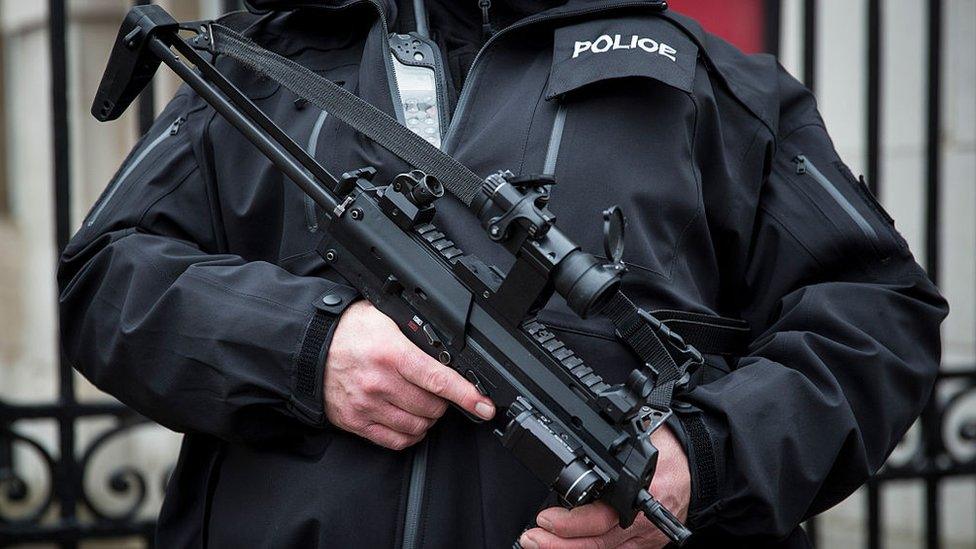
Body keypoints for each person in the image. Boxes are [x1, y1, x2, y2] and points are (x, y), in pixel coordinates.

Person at [57, 1, 947, 547]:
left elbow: (877, 313)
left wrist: (702, 458)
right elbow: (104, 277)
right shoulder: (265, 62)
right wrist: (306, 344)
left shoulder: (709, 87)